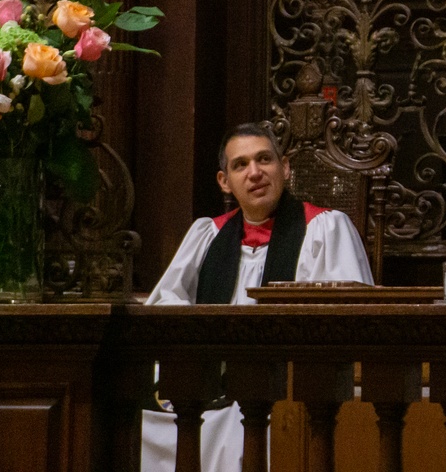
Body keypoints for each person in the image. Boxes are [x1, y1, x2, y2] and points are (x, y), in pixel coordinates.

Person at [142, 123, 374, 472]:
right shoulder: (208, 235)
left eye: (265, 159)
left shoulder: (325, 229)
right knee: (135, 418)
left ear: (285, 167)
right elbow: (164, 309)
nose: (255, 172)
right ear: (224, 181)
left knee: (241, 421)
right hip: (212, 381)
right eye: (241, 164)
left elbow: (351, 320)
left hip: (287, 387)